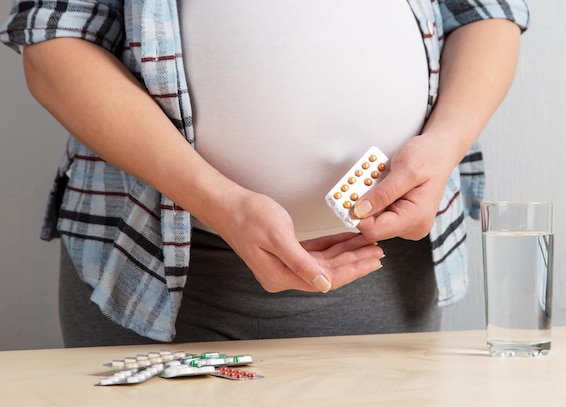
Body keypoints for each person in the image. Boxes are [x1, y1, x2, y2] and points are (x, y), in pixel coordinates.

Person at [0, 0, 529, 347]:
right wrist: (218, 201)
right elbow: (52, 43)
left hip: (383, 265)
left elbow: (486, 13)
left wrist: (442, 145)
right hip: (157, 265)